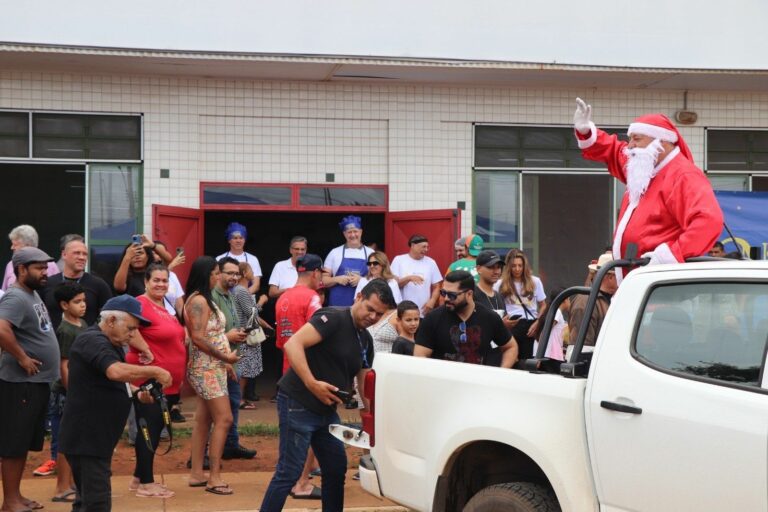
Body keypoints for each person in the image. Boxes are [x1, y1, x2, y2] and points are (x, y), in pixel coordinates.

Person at [259, 279, 393, 512]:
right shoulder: (332, 317)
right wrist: (312, 384)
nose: (373, 316)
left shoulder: (365, 339)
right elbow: (293, 345)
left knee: (335, 468)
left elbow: (363, 384)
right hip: (298, 402)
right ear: (359, 297)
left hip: (326, 411)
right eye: (370, 309)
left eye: (379, 314)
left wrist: (375, 416)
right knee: (288, 472)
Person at [573, 98, 724, 283]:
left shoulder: (683, 175)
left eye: (637, 139)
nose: (629, 146)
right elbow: (613, 150)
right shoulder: (644, 165)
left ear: (662, 142)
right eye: (630, 139)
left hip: (660, 287)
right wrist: (586, 131)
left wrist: (669, 256)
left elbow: (708, 221)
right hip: (639, 281)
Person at [59, 295, 172, 512]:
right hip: (87, 438)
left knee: (87, 502)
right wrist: (155, 370)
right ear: (111, 321)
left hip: (94, 437)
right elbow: (114, 371)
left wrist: (139, 394)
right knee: (97, 503)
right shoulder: (92, 340)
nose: (132, 335)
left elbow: (111, 382)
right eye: (130, 328)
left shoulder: (110, 342)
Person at [0, 247, 61, 512]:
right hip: (19, 383)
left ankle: (17, 495)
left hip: (35, 383)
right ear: (21, 270)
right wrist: (23, 358)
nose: (45, 272)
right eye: (39, 268)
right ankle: (10, 500)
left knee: (23, 440)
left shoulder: (32, 294)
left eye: (46, 268)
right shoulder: (15, 297)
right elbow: (1, 329)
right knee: (14, 442)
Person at [125, 263, 187, 498]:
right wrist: (146, 351)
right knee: (148, 428)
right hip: (149, 379)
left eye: (164, 280)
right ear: (146, 282)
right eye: (156, 280)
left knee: (156, 426)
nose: (161, 284)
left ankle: (138, 478)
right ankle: (146, 483)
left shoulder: (166, 304)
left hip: (168, 382)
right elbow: (129, 330)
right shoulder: (139, 304)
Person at [183, 256, 240, 495]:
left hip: (212, 366)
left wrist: (225, 363)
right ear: (206, 274)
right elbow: (198, 337)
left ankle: (197, 473)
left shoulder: (203, 299)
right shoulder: (199, 301)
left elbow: (212, 336)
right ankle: (214, 477)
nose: (219, 276)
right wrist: (226, 358)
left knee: (204, 420)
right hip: (206, 368)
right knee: (225, 419)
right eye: (216, 272)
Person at [274, 253, 325, 500]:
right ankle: (302, 482)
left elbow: (282, 342)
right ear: (315, 273)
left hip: (288, 369)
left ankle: (295, 477)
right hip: (306, 371)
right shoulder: (312, 297)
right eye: (321, 274)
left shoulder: (283, 297)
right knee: (307, 428)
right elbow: (317, 336)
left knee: (291, 430)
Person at [415, 271, 518, 367]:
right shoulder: (433, 318)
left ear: (469, 294)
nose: (446, 298)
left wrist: (501, 372)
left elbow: (510, 347)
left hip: (477, 383)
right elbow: (420, 355)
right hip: (444, 383)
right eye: (443, 293)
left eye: (452, 295)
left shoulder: (489, 317)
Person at [45, 282, 88, 503]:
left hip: (79, 390)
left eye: (84, 301)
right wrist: (73, 393)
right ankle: (61, 487)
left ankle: (70, 482)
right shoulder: (65, 330)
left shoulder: (82, 324)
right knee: (65, 441)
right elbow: (64, 364)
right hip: (66, 394)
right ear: (64, 305)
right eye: (77, 302)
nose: (83, 306)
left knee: (74, 441)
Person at [211, 257, 256, 461]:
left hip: (232, 358)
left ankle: (231, 445)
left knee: (234, 403)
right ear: (218, 273)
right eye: (229, 273)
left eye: (237, 273)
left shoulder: (231, 294)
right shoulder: (212, 296)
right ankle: (204, 453)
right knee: (215, 412)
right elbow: (203, 334)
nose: (234, 277)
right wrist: (228, 336)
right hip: (218, 360)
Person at [42, 236, 112, 328]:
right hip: (54, 340)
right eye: (77, 253)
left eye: (85, 254)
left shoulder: (98, 285)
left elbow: (109, 318)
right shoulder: (47, 283)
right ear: (64, 255)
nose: (82, 257)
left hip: (87, 340)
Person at [497, 250, 546, 361]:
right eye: (514, 266)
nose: (517, 269)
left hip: (530, 325)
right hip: (512, 324)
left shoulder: (535, 281)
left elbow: (543, 305)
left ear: (525, 266)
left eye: (520, 265)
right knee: (510, 360)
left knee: (527, 362)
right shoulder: (500, 284)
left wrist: (538, 322)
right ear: (509, 266)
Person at [233, 261, 269, 410]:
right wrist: (262, 301)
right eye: (250, 270)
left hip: (243, 333)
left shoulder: (239, 290)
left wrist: (265, 324)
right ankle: (239, 399)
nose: (253, 273)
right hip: (245, 335)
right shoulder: (241, 291)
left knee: (244, 369)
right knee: (244, 369)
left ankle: (239, 398)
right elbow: (251, 313)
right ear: (244, 273)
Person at [568, 252, 617, 350]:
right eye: (619, 276)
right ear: (610, 278)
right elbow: (583, 348)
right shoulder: (585, 302)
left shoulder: (613, 299)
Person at [322, 215, 373, 307]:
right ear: (344, 234)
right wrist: (337, 279)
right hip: (337, 306)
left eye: (355, 231)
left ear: (361, 232)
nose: (353, 235)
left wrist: (362, 280)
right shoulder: (334, 253)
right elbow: (323, 280)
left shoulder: (371, 254)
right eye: (349, 232)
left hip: (362, 306)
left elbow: (380, 280)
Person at [391, 234, 443, 316]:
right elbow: (394, 285)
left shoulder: (431, 262)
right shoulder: (399, 260)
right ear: (413, 245)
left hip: (423, 311)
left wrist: (432, 301)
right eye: (423, 247)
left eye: (427, 247)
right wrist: (409, 278)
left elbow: (437, 286)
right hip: (402, 311)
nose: (426, 249)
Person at [2, 224, 60, 291]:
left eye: (15, 245)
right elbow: (4, 292)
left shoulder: (51, 265)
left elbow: (56, 292)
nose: (12, 248)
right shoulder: (10, 265)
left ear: (28, 246)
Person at [217, 222, 262, 293]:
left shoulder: (253, 259)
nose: (238, 241)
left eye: (241, 238)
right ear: (229, 240)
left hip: (246, 298)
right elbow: (216, 282)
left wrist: (243, 296)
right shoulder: (219, 259)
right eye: (235, 238)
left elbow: (256, 285)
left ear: (244, 240)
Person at [474, 250, 506, 314]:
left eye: (499, 267)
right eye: (491, 267)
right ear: (478, 269)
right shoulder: (471, 295)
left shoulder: (499, 296)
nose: (496, 272)